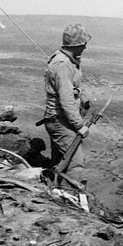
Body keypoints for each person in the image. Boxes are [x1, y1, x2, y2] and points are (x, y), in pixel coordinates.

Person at [43, 23, 92, 185]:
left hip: (60, 119)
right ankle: (74, 200)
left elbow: (70, 89)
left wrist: (83, 98)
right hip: (59, 121)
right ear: (76, 45)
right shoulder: (63, 65)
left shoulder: (68, 61)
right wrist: (79, 126)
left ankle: (52, 191)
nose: (85, 46)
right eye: (83, 43)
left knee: (59, 160)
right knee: (75, 162)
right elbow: (66, 99)